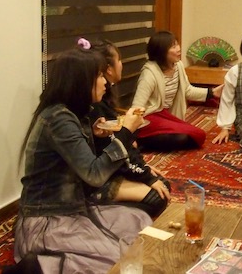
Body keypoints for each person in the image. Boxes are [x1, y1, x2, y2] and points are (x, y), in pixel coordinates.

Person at [10, 47, 152, 274]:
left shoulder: (72, 113)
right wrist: (125, 133)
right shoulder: (59, 119)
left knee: (139, 220)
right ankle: (38, 265)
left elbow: (83, 166)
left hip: (73, 208)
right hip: (49, 218)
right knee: (114, 262)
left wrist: (96, 136)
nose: (105, 82)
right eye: (99, 75)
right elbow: (94, 175)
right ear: (80, 81)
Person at [87, 38, 171, 218]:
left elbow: (120, 145)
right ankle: (96, 211)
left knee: (163, 186)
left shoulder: (102, 100)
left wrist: (143, 167)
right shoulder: (92, 107)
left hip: (109, 168)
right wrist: (145, 175)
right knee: (158, 196)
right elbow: (112, 150)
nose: (103, 81)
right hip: (98, 179)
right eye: (99, 76)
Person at [132, 31, 223, 151]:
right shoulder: (149, 73)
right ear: (161, 52)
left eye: (177, 44)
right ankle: (140, 141)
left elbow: (187, 91)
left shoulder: (178, 65)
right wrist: (130, 133)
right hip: (150, 118)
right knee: (184, 137)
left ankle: (149, 142)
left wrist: (212, 93)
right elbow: (137, 107)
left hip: (166, 116)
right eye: (173, 46)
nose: (179, 48)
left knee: (197, 135)